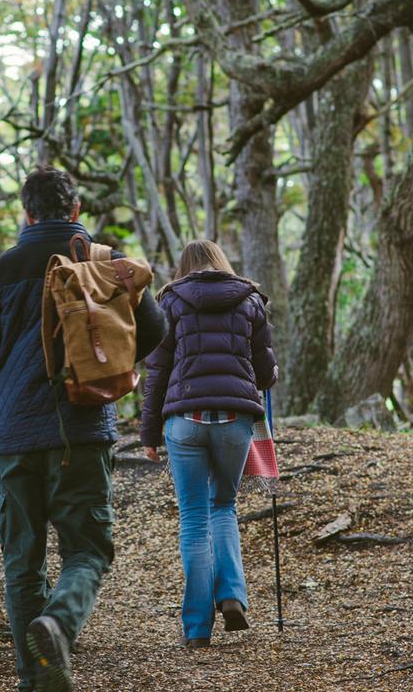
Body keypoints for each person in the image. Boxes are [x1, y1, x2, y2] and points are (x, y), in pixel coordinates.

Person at [0, 165, 167, 692]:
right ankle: (58, 624)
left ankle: (37, 679)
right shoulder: (107, 264)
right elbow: (156, 328)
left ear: (26, 214)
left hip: (14, 434)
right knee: (88, 550)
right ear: (76, 210)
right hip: (83, 425)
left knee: (22, 562)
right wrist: (110, 364)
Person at [139, 240, 278, 648]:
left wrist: (149, 433)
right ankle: (232, 594)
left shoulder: (170, 300)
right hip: (235, 419)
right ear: (221, 262)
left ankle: (198, 628)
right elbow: (265, 373)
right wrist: (266, 371)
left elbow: (157, 372)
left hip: (184, 421)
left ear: (184, 267)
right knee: (223, 505)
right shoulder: (251, 300)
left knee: (194, 517)